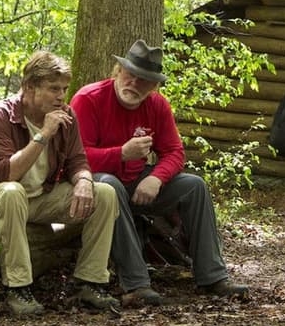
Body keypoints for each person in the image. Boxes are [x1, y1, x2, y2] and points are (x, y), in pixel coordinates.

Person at [71, 39, 248, 303]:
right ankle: (136, 285)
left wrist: (156, 177)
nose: (134, 84)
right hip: (96, 183)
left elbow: (175, 152)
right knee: (111, 186)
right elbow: (76, 158)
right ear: (118, 72)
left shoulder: (157, 105)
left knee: (194, 186)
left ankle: (213, 276)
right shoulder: (89, 99)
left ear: (154, 86)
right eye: (130, 75)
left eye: (144, 80)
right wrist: (121, 153)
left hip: (137, 181)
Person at [0, 51, 120, 317]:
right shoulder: (0, 114)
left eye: (64, 89)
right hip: (0, 191)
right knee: (11, 192)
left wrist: (85, 181)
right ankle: (18, 288)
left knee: (105, 193)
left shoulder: (66, 116)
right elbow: (5, 173)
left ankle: (91, 281)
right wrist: (44, 134)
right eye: (53, 88)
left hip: (43, 195)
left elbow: (77, 161)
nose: (61, 96)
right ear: (30, 86)